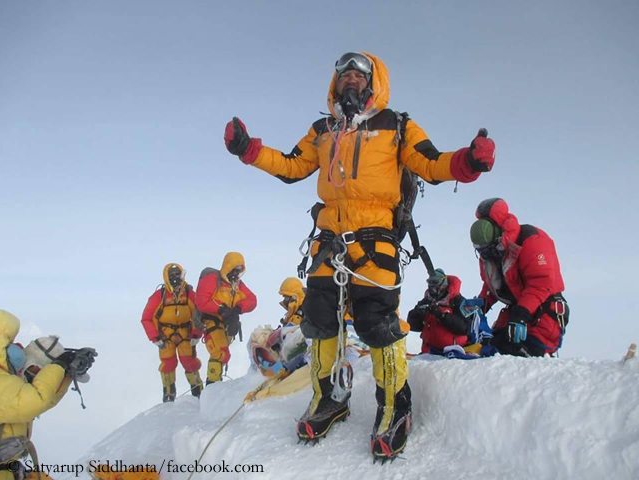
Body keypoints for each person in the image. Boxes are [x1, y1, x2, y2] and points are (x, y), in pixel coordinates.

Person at [224, 51, 495, 460]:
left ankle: (393, 405)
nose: (350, 80)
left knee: (378, 323)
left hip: (376, 241)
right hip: (328, 240)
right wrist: (249, 150)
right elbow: (291, 166)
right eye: (344, 74)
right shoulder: (323, 129)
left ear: (373, 82)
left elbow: (433, 162)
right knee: (318, 321)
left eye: (358, 75)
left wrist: (468, 162)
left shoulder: (397, 126)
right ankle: (329, 396)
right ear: (335, 83)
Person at [0, 310, 95, 480]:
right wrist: (58, 366)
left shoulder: (6, 380)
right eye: (9, 343)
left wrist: (65, 373)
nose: (15, 348)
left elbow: (45, 397)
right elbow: (35, 400)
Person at [470, 198, 569, 357]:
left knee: (522, 356)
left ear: (497, 235)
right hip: (516, 312)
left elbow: (541, 283)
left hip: (542, 311)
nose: (484, 253)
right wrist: (478, 308)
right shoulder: (491, 254)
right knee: (491, 351)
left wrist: (521, 314)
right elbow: (492, 286)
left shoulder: (531, 240)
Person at [141, 263, 203, 402]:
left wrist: (196, 333)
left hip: (186, 335)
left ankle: (198, 390)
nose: (177, 278)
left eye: (178, 274)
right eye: (173, 275)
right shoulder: (159, 296)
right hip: (165, 336)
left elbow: (199, 314)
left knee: (190, 362)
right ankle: (169, 392)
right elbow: (146, 318)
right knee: (168, 364)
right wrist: (154, 337)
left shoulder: (189, 293)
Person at [195, 252, 257, 385]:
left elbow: (252, 300)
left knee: (223, 354)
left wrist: (237, 310)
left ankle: (214, 385)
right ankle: (212, 386)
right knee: (220, 353)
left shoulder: (237, 284)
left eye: (239, 271)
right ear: (227, 267)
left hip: (228, 323)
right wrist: (222, 309)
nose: (236, 274)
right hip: (212, 320)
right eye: (234, 270)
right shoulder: (212, 278)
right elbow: (202, 301)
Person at [407, 269, 472, 355]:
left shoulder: (458, 301)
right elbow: (412, 326)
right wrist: (417, 314)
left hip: (454, 353)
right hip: (428, 353)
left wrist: (442, 316)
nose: (433, 289)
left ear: (444, 284)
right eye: (431, 285)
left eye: (435, 285)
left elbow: (466, 328)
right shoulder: (427, 300)